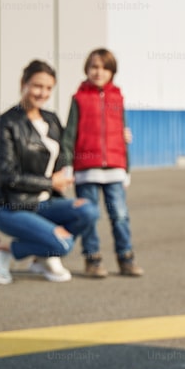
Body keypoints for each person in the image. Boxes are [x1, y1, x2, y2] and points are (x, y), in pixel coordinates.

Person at [0, 60, 99, 285]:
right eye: (37, 86)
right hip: (11, 206)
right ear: (23, 84)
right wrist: (49, 183)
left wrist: (115, 137)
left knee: (89, 211)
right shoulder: (7, 123)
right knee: (64, 244)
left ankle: (43, 255)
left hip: (46, 203)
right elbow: (8, 176)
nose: (42, 93)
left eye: (48, 88)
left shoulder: (51, 119)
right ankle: (1, 252)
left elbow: (68, 149)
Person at [61, 48, 143, 277]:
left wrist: (126, 169)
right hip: (87, 169)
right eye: (94, 67)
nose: (99, 72)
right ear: (86, 69)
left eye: (105, 68)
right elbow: (70, 134)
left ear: (112, 72)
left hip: (115, 168)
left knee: (120, 215)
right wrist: (67, 165)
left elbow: (122, 134)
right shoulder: (79, 99)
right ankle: (92, 258)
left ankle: (126, 257)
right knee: (90, 216)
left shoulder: (118, 98)